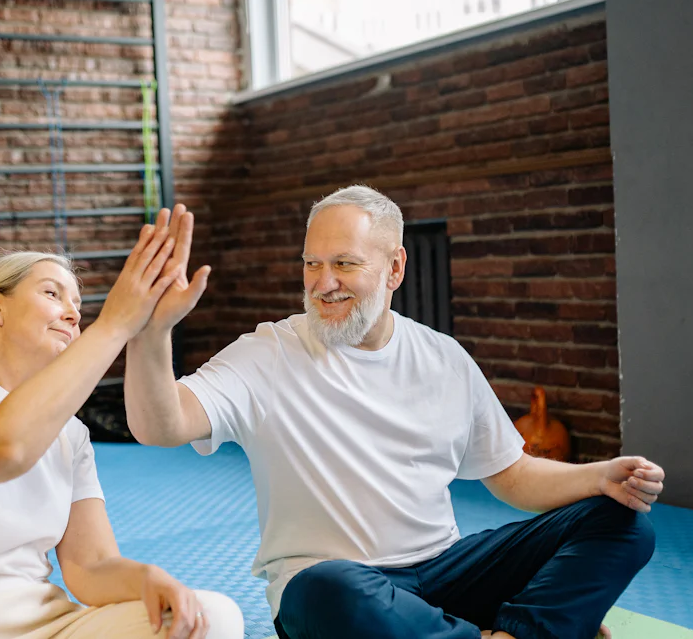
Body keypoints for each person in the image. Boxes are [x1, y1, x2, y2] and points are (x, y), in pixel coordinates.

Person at [124, 187, 663, 639]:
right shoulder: (267, 354)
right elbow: (160, 424)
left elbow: (514, 475)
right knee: (326, 588)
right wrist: (152, 330)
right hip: (340, 593)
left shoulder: (443, 357)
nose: (323, 281)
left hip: (448, 571)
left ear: (395, 268)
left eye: (345, 263)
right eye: (312, 263)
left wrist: (598, 477)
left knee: (623, 523)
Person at [0, 212, 243, 639]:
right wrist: (114, 324)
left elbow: (89, 567)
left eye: (78, 305)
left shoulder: (72, 434)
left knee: (209, 617)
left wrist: (149, 579)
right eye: (53, 294)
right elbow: (0, 450)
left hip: (40, 628)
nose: (73, 314)